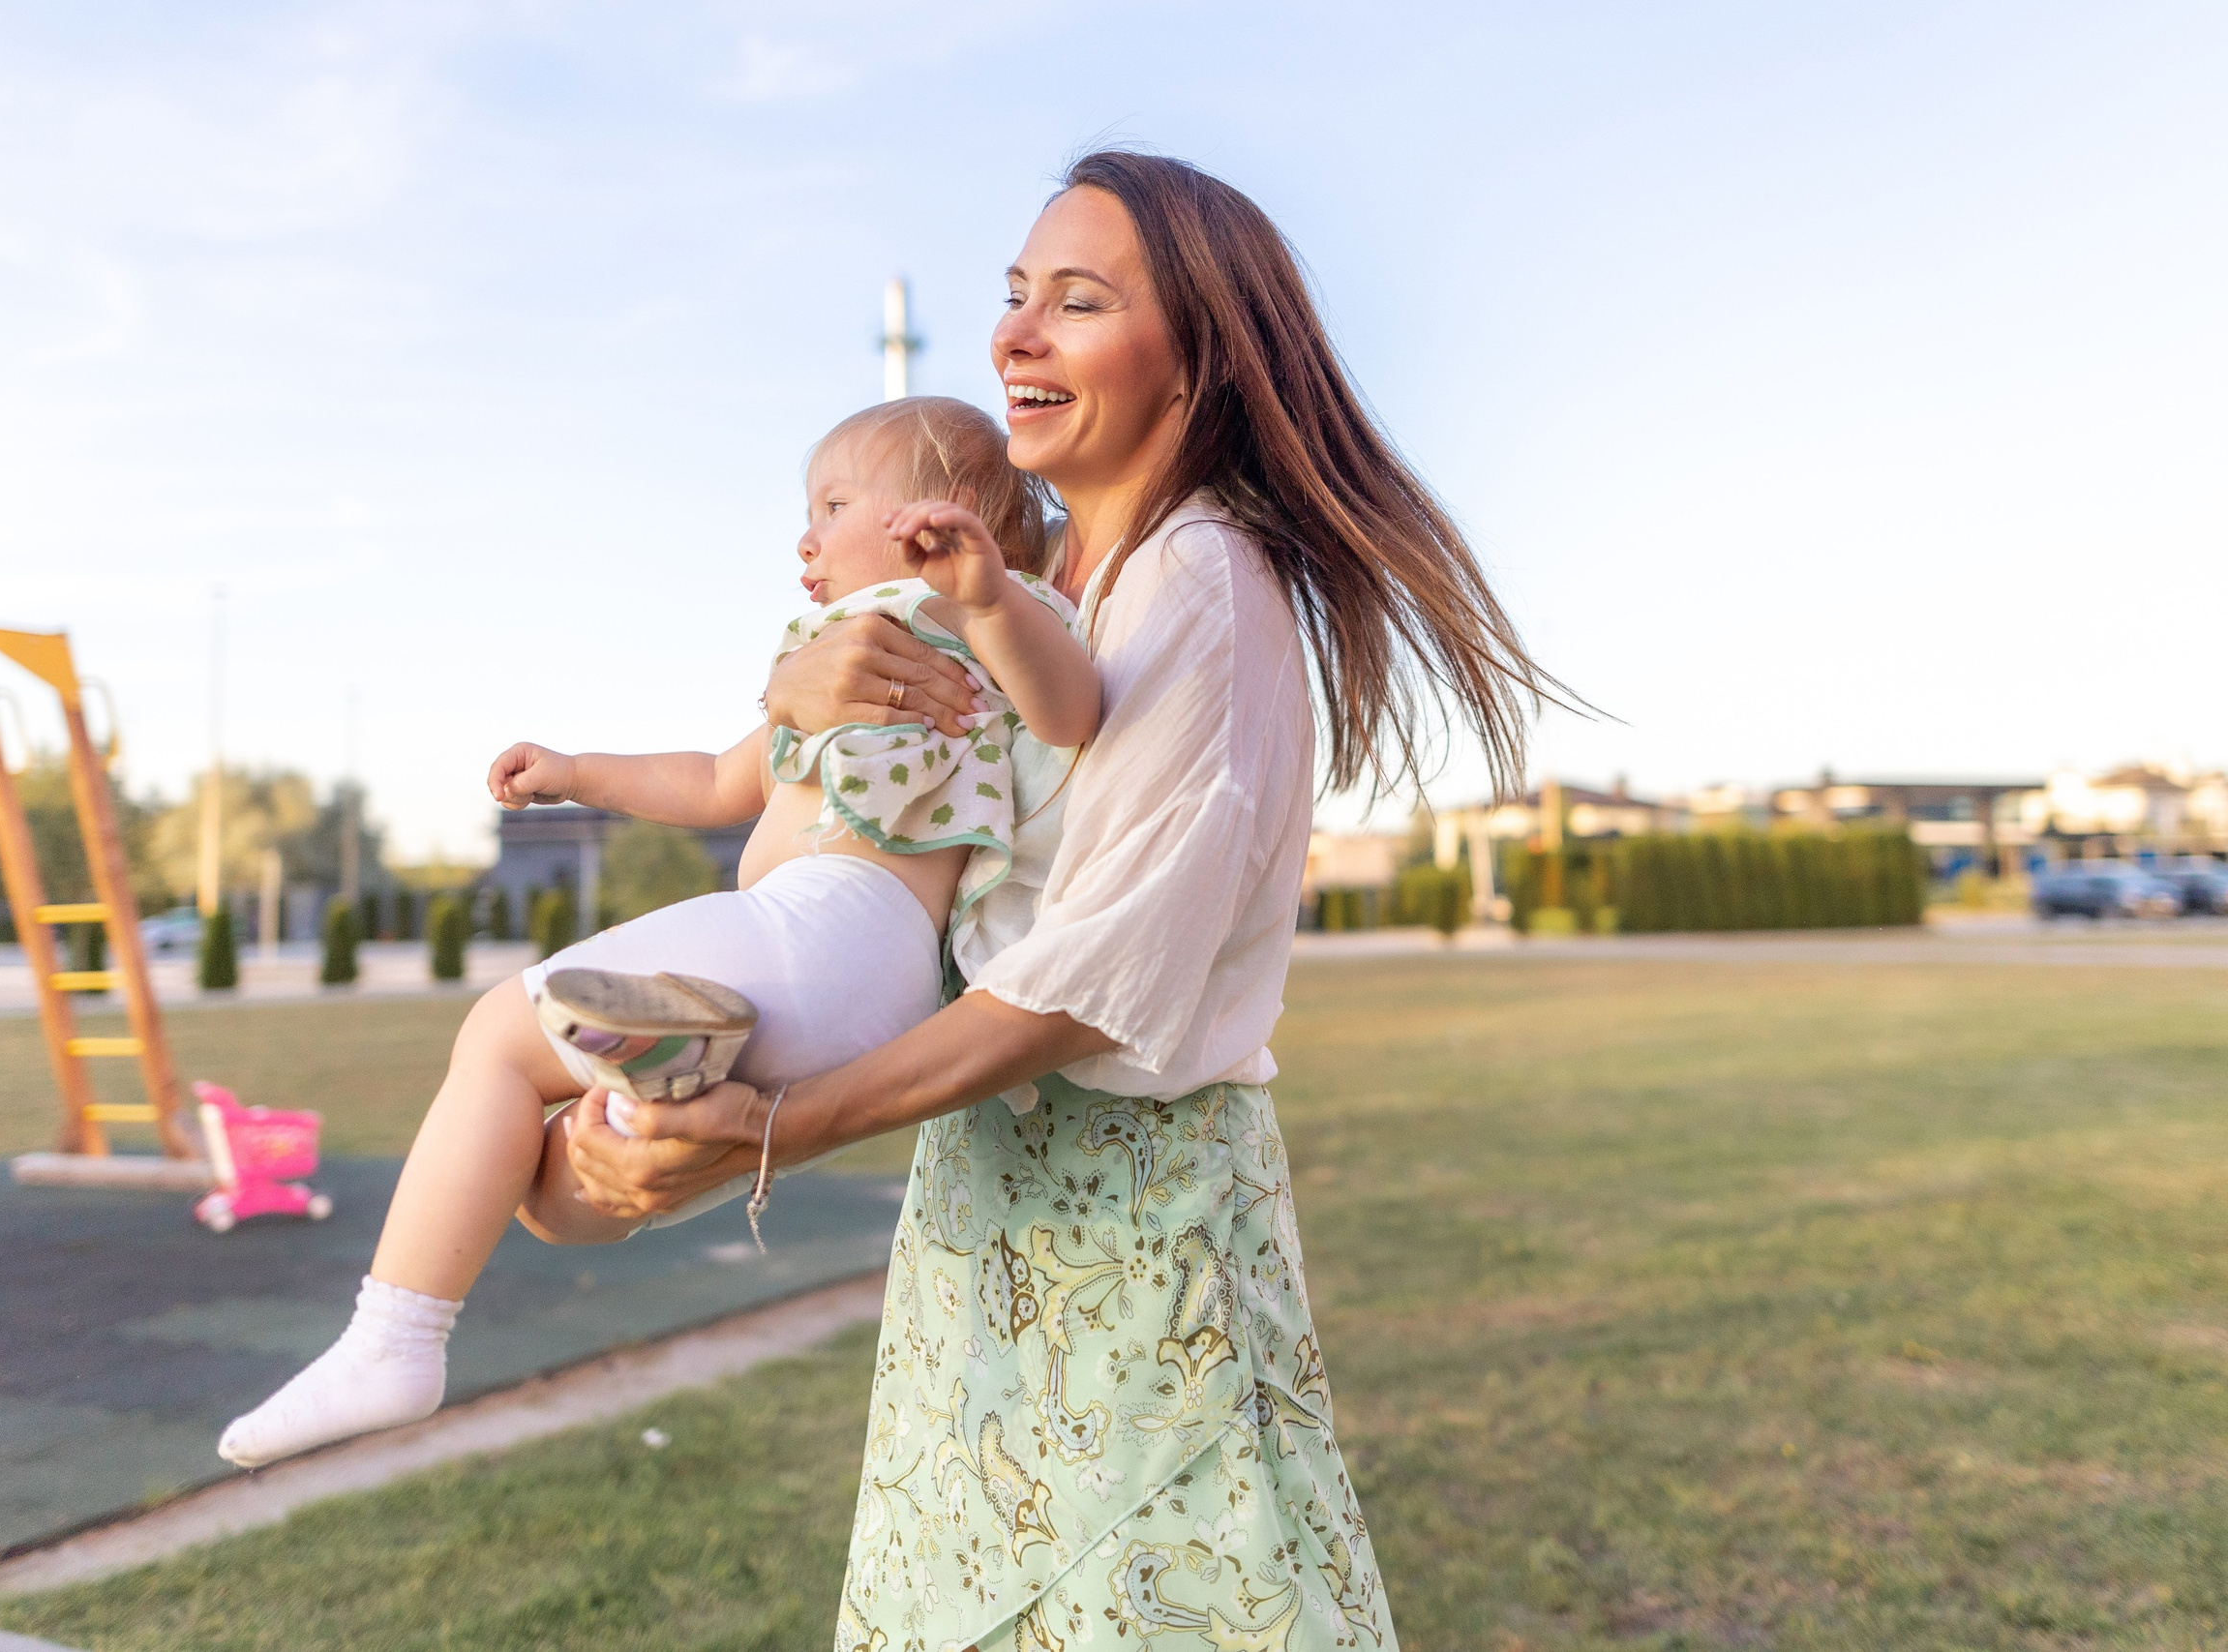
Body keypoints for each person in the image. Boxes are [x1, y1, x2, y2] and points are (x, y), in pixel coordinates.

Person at [528, 152, 1558, 1650]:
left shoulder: (1199, 580)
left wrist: (778, 1128)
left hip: (1138, 1253)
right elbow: (900, 867)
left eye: (1076, 302)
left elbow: (1081, 983)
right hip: (994, 1221)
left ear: (1199, 361)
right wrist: (803, 685)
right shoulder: (1046, 590)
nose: (1014, 334)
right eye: (1013, 297)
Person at [215, 395, 1099, 1470]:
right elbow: (714, 781)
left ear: (943, 514)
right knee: (566, 1144)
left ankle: (395, 1336)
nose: (804, 537)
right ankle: (671, 1068)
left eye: (831, 504)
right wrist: (575, 774)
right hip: (842, 979)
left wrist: (992, 591)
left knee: (497, 1035)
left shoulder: (967, 615)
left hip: (826, 930)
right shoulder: (833, 664)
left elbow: (1069, 715)